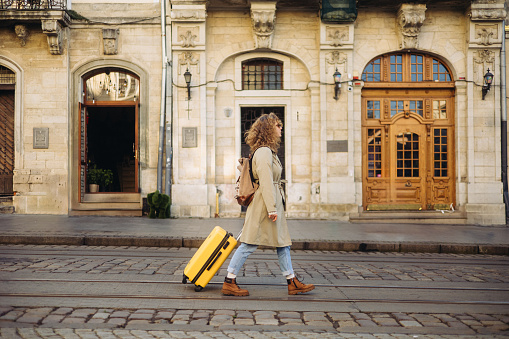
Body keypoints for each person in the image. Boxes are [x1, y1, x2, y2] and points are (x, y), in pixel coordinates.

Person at [222, 113, 315, 296]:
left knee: (283, 243)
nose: (281, 129)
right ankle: (229, 281)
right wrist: (272, 208)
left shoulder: (268, 151)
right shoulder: (264, 152)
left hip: (270, 203)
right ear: (269, 130)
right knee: (249, 243)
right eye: (278, 126)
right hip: (264, 205)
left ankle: (292, 281)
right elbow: (265, 181)